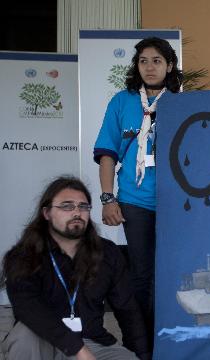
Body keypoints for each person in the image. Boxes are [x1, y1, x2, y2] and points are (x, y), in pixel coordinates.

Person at [93, 36, 183, 351]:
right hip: (135, 202)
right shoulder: (122, 101)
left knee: (170, 274)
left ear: (169, 65)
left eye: (157, 60)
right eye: (143, 60)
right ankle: (143, 344)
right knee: (142, 276)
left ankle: (168, 339)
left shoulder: (181, 102)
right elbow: (107, 153)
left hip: (177, 206)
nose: (149, 67)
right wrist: (107, 198)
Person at [0, 176, 149, 360]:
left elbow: (128, 311)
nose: (77, 212)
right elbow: (28, 309)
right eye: (67, 206)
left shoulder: (107, 253)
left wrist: (141, 355)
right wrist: (76, 348)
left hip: (92, 342)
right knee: (24, 336)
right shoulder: (23, 255)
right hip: (42, 340)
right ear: (46, 213)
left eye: (83, 206)